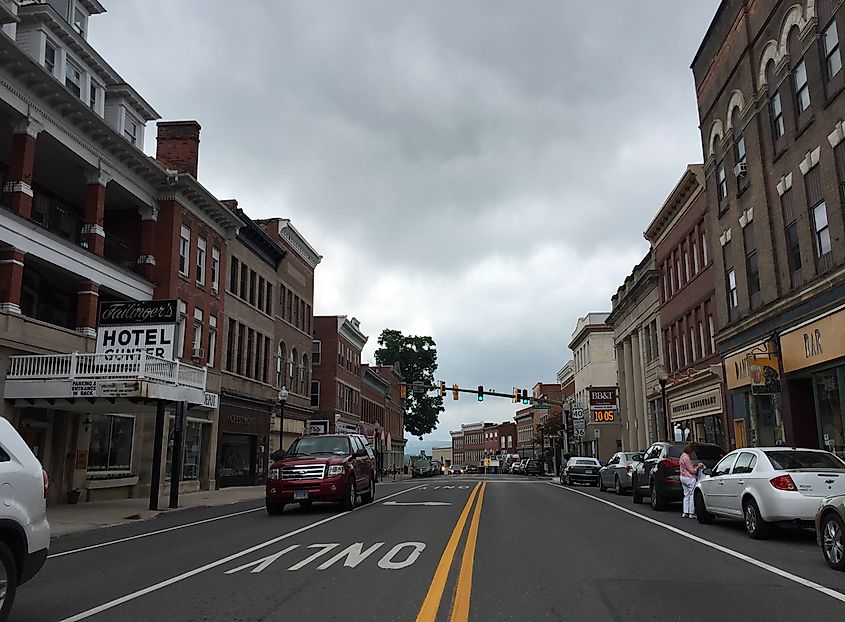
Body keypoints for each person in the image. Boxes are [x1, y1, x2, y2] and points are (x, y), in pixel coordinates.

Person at [679, 443, 704, 519]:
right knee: (692, 495)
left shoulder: (682, 457)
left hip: (682, 477)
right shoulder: (686, 458)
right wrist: (698, 467)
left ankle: (685, 512)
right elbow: (692, 471)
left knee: (686, 495)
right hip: (689, 478)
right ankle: (691, 513)